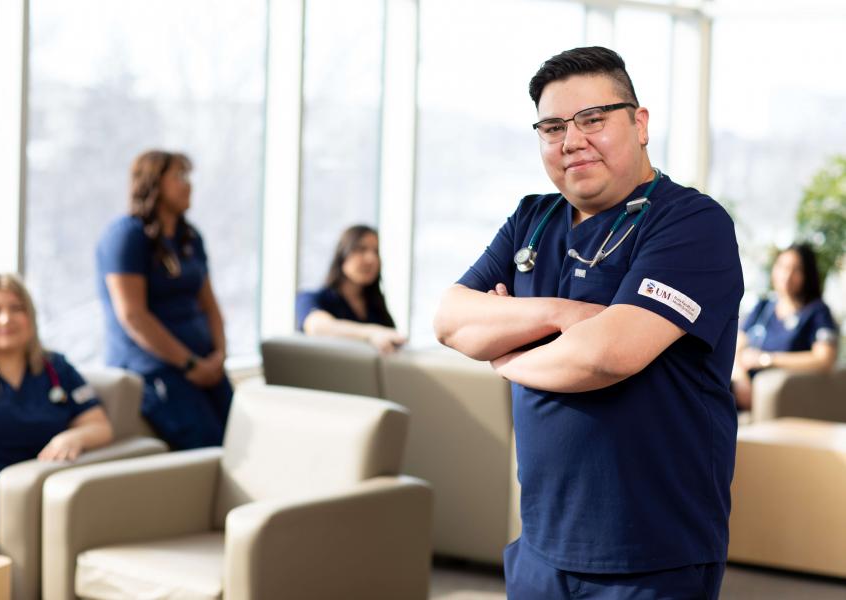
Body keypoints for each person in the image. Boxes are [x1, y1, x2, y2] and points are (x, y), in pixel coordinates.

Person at [433, 47, 743, 599]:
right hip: (541, 546)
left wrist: (505, 352)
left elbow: (607, 355)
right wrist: (558, 313)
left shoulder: (691, 223)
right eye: (552, 127)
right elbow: (451, 321)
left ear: (639, 123)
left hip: (653, 555)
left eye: (592, 119)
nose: (572, 140)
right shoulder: (533, 218)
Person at [0, 273, 113, 552]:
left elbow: (100, 426)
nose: (6, 319)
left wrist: (73, 438)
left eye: (16, 308)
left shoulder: (56, 367)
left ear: (30, 316)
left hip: (21, 485)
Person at [96, 150, 232, 450]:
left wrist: (219, 354)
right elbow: (134, 317)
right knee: (208, 444)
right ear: (154, 182)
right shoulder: (126, 236)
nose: (189, 185)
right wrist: (188, 365)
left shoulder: (190, 238)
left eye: (189, 177)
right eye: (179, 177)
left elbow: (210, 304)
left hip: (207, 365)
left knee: (243, 437)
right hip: (157, 371)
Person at [732, 243, 839, 409]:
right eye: (782, 267)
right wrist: (740, 379)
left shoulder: (817, 312)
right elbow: (736, 348)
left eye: (796, 269)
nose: (787, 275)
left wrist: (767, 360)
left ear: (807, 275)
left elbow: (824, 359)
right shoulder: (762, 307)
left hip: (781, 396)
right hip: (740, 389)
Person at [296, 224, 406, 353]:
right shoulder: (311, 298)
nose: (371, 259)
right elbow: (317, 327)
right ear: (342, 254)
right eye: (361, 249)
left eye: (375, 251)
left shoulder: (376, 308)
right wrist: (372, 333)